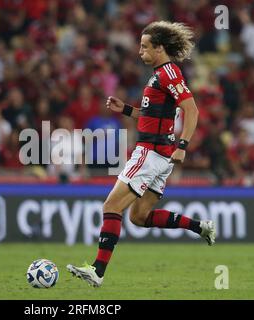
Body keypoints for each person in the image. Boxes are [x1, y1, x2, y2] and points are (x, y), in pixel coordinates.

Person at [67, 21, 216, 287]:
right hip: (161, 156)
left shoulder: (169, 73)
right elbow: (151, 116)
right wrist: (125, 109)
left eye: (145, 47)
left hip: (150, 153)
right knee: (139, 217)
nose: (140, 52)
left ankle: (97, 272)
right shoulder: (160, 74)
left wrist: (183, 146)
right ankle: (200, 227)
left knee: (111, 207)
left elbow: (191, 110)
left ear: (159, 48)